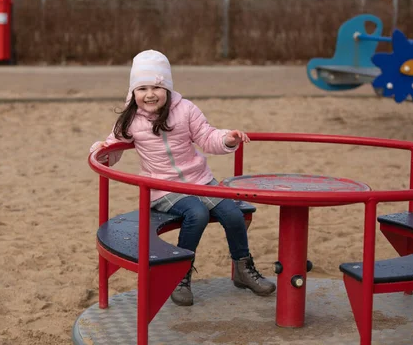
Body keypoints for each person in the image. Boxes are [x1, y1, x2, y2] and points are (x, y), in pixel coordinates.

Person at [90, 50, 276, 306]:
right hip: (163, 188)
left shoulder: (186, 110)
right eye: (142, 88)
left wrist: (226, 139)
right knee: (196, 214)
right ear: (133, 92)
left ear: (167, 87)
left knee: (233, 213)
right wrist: (102, 151)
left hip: (200, 180)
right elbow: (114, 147)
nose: (150, 94)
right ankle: (181, 276)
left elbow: (207, 136)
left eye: (157, 86)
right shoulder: (130, 120)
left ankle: (243, 268)